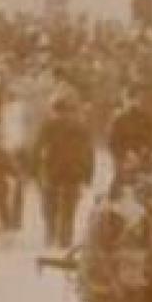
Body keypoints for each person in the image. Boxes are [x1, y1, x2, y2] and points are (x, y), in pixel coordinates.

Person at [35, 95, 96, 251]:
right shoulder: (80, 127)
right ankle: (65, 240)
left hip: (51, 172)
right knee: (69, 208)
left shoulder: (47, 126)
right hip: (73, 173)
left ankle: (51, 235)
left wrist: (34, 172)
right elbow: (89, 153)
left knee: (49, 206)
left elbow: (36, 149)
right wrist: (88, 174)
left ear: (54, 110)